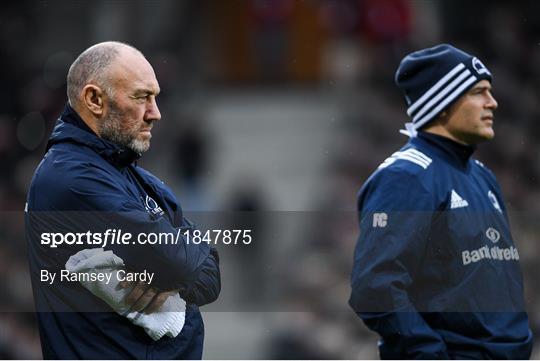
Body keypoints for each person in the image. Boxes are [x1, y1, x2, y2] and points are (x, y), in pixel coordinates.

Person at [25, 41, 220, 359]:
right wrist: (181, 263)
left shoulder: (137, 180)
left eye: (155, 98)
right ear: (94, 99)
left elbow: (210, 278)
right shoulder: (70, 180)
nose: (155, 114)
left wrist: (181, 267)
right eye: (142, 97)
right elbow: (185, 267)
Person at [349, 44, 533, 359]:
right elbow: (376, 288)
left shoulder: (482, 176)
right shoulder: (405, 178)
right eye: (478, 92)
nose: (493, 103)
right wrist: (429, 354)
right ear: (442, 104)